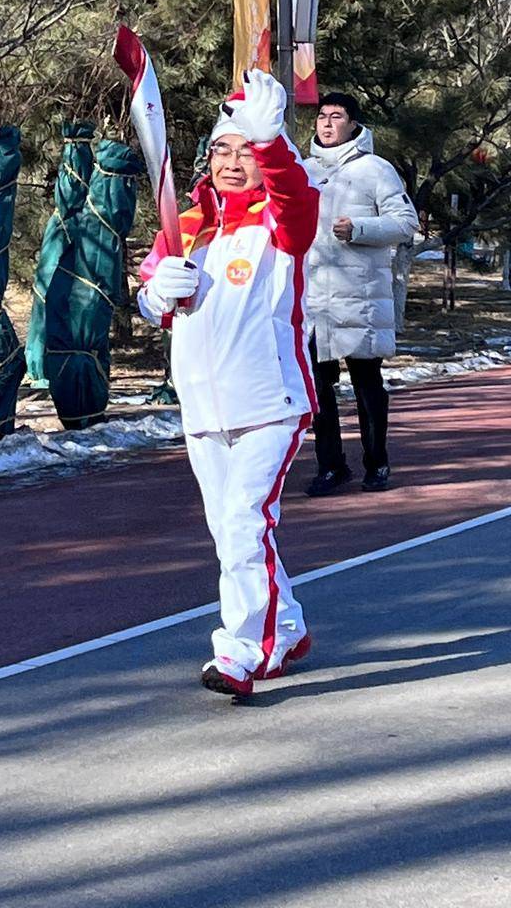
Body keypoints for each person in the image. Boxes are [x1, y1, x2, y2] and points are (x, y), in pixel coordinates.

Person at [138, 69, 318, 698]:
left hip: (270, 403)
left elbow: (299, 201)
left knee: (244, 524)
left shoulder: (282, 224)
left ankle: (245, 651)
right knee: (234, 534)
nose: (233, 162)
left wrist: (274, 143)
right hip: (202, 411)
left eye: (246, 150)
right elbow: (153, 300)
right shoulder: (183, 227)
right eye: (223, 148)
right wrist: (154, 294)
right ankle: (286, 626)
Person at [304, 92, 418, 496]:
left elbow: (406, 223)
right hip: (313, 300)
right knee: (317, 388)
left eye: (337, 116)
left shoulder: (375, 169)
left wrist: (361, 229)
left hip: (360, 295)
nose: (327, 123)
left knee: (366, 383)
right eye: (322, 116)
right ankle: (331, 465)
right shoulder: (304, 170)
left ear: (354, 124)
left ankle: (377, 461)